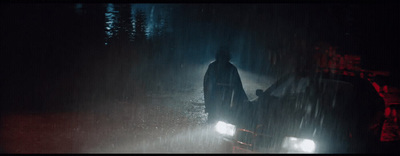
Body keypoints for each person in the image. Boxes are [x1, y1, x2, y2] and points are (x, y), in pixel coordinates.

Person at [203, 47, 248, 125]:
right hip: (216, 98)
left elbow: (238, 86)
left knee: (223, 117)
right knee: (215, 118)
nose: (222, 59)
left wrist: (243, 100)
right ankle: (212, 132)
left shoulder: (231, 68)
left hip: (225, 98)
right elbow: (207, 84)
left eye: (224, 57)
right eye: (221, 57)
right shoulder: (214, 67)